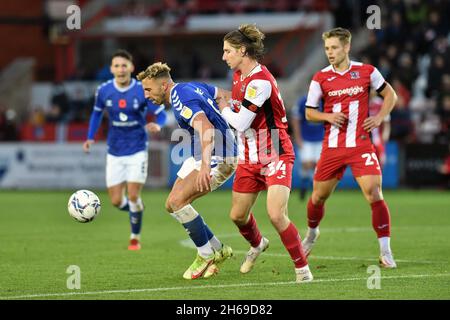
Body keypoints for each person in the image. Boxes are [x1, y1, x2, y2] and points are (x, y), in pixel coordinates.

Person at [217, 24, 313, 283]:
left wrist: (223, 107)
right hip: (249, 156)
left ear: (241, 50)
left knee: (275, 214)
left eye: (227, 51)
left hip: (275, 153)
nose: (223, 56)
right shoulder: (239, 76)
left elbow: (240, 122)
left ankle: (302, 270)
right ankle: (258, 244)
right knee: (237, 215)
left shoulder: (260, 81)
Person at [302, 27, 398, 268]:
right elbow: (309, 113)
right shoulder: (320, 78)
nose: (330, 52)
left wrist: (379, 118)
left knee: (374, 193)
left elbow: (391, 96)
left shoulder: (367, 72)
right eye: (326, 48)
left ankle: (385, 251)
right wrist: (327, 117)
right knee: (318, 196)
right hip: (332, 147)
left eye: (334, 47)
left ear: (346, 47)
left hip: (360, 145)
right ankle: (312, 233)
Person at [137, 62, 237, 280]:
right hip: (203, 154)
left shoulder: (179, 98)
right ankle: (218, 248)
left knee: (177, 202)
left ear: (163, 85)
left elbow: (207, 128)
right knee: (171, 205)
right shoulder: (192, 87)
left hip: (217, 156)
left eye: (148, 89)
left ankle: (205, 254)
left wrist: (204, 166)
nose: (146, 95)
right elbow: (225, 95)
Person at [83, 49, 167, 251]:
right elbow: (96, 115)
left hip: (137, 148)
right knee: (115, 201)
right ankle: (137, 209)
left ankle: (134, 237)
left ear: (131, 67)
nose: (120, 69)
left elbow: (160, 112)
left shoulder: (141, 89)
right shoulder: (103, 90)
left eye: (124, 65)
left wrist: (158, 125)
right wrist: (89, 137)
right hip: (114, 150)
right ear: (111, 69)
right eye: (116, 65)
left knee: (132, 196)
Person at [291, 95, 324, 200]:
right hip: (306, 138)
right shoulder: (303, 101)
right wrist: (298, 137)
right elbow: (296, 120)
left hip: (320, 138)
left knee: (317, 165)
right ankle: (304, 186)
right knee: (307, 164)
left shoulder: (325, 101)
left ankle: (315, 189)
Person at [369, 90, 391, 168]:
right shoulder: (362, 103)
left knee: (380, 161)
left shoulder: (380, 103)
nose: (371, 92)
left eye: (372, 89)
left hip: (377, 137)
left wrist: (386, 133)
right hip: (365, 138)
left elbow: (386, 121)